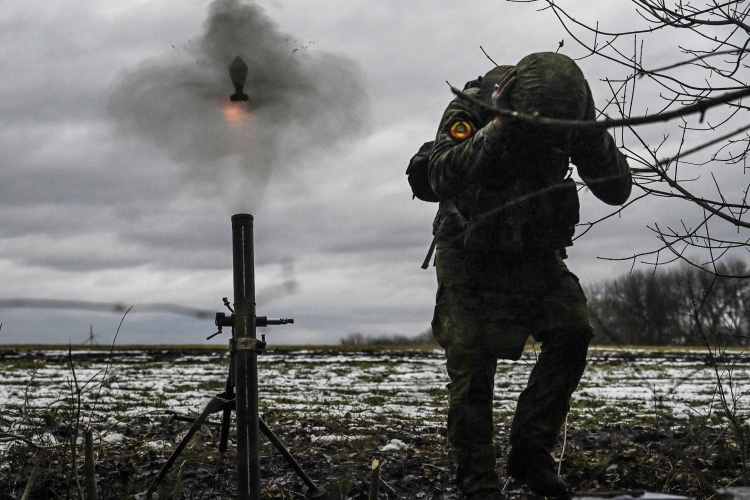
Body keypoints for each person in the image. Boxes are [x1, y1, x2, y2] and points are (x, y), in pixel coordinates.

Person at [427, 52, 632, 499]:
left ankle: (530, 454)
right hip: (469, 250)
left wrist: (590, 134)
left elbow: (616, 189)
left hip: (535, 251)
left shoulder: (571, 117)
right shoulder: (474, 104)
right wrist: (498, 126)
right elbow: (438, 174)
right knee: (471, 363)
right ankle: (478, 484)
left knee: (572, 329)